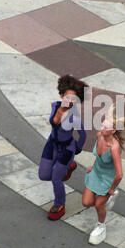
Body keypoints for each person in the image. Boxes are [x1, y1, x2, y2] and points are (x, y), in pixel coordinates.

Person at [39, 74, 88, 220]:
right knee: (43, 175)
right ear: (61, 96)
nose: (70, 101)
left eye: (74, 99)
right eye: (67, 97)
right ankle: (68, 167)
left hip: (67, 148)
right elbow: (54, 122)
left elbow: (83, 135)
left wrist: (77, 149)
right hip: (52, 144)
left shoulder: (75, 117)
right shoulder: (55, 106)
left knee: (56, 179)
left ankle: (59, 205)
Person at [82, 108, 125, 245]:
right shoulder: (99, 135)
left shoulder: (114, 148)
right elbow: (99, 156)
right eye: (102, 125)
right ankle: (107, 200)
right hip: (96, 172)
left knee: (98, 204)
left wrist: (111, 189)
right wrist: (93, 166)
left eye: (105, 127)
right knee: (86, 202)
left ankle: (101, 225)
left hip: (108, 179)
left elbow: (119, 174)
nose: (101, 128)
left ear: (113, 131)